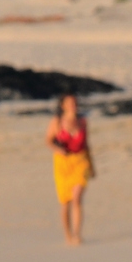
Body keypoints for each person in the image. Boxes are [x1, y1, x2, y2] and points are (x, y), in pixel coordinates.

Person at [47, 93, 95, 245]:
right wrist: (58, 149)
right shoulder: (57, 122)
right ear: (63, 106)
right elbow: (48, 140)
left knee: (77, 198)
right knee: (65, 202)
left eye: (74, 102)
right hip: (62, 164)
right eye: (69, 103)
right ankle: (68, 235)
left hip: (80, 161)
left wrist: (92, 165)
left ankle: (77, 234)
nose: (73, 105)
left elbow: (86, 144)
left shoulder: (83, 121)